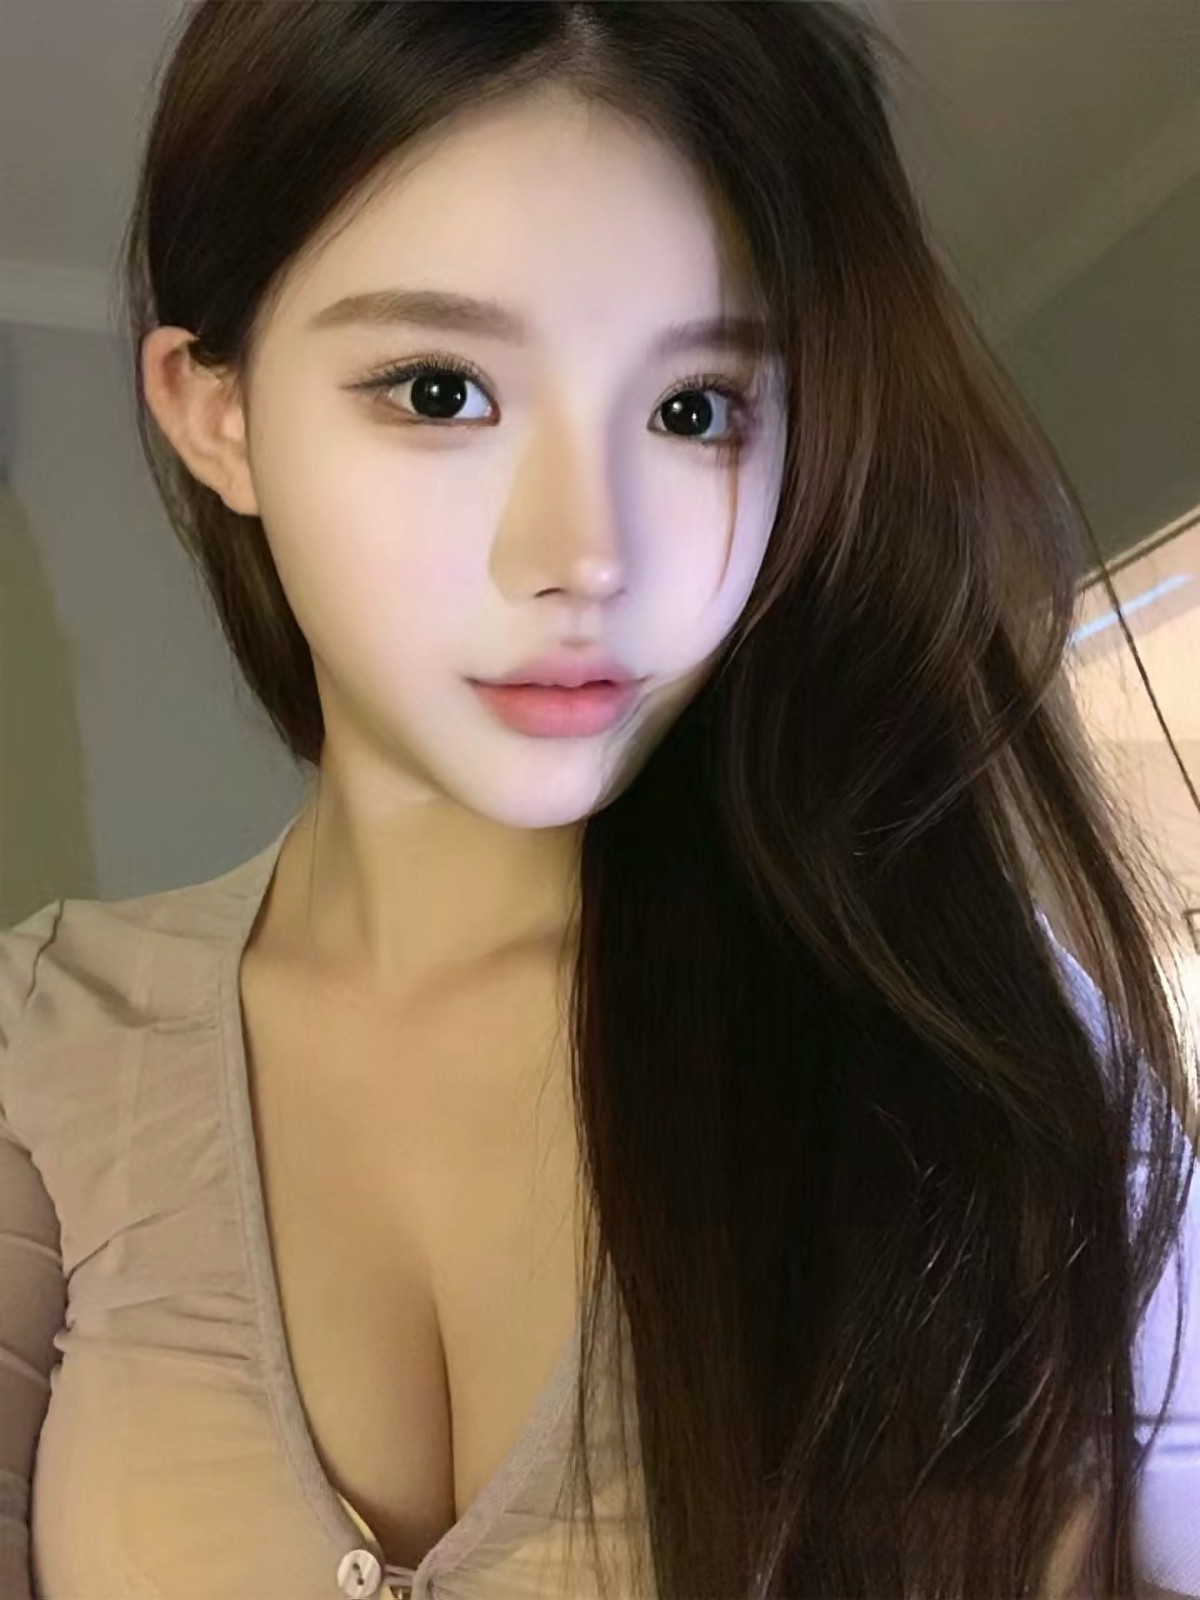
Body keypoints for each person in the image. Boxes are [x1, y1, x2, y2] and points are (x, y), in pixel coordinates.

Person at [1, 3, 1197, 1597]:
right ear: (216, 414)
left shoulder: (990, 1051)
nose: (586, 555)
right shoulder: (48, 1040)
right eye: (440, 390)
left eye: (695, 410)